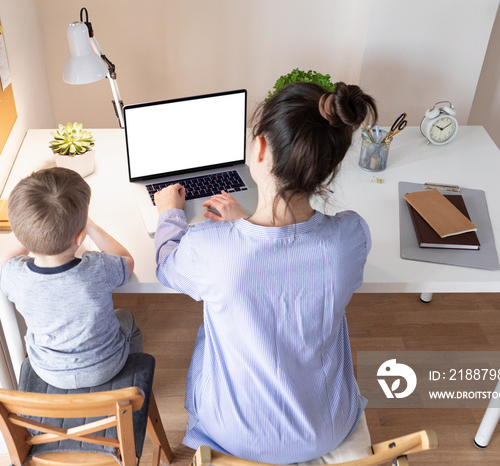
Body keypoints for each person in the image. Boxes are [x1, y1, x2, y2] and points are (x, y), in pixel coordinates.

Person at [154, 82, 377, 463]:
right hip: (325, 428)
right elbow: (285, 255)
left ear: (259, 148)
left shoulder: (210, 246)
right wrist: (245, 225)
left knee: (210, 329)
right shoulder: (349, 238)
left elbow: (166, 269)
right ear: (328, 168)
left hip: (234, 434)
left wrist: (169, 214)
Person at [0, 167, 142, 389]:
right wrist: (91, 226)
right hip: (105, 367)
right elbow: (127, 261)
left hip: (48, 370)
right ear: (79, 236)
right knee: (126, 317)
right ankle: (129, 383)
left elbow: (2, 265)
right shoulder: (97, 268)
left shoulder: (15, 276)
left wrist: (26, 236)